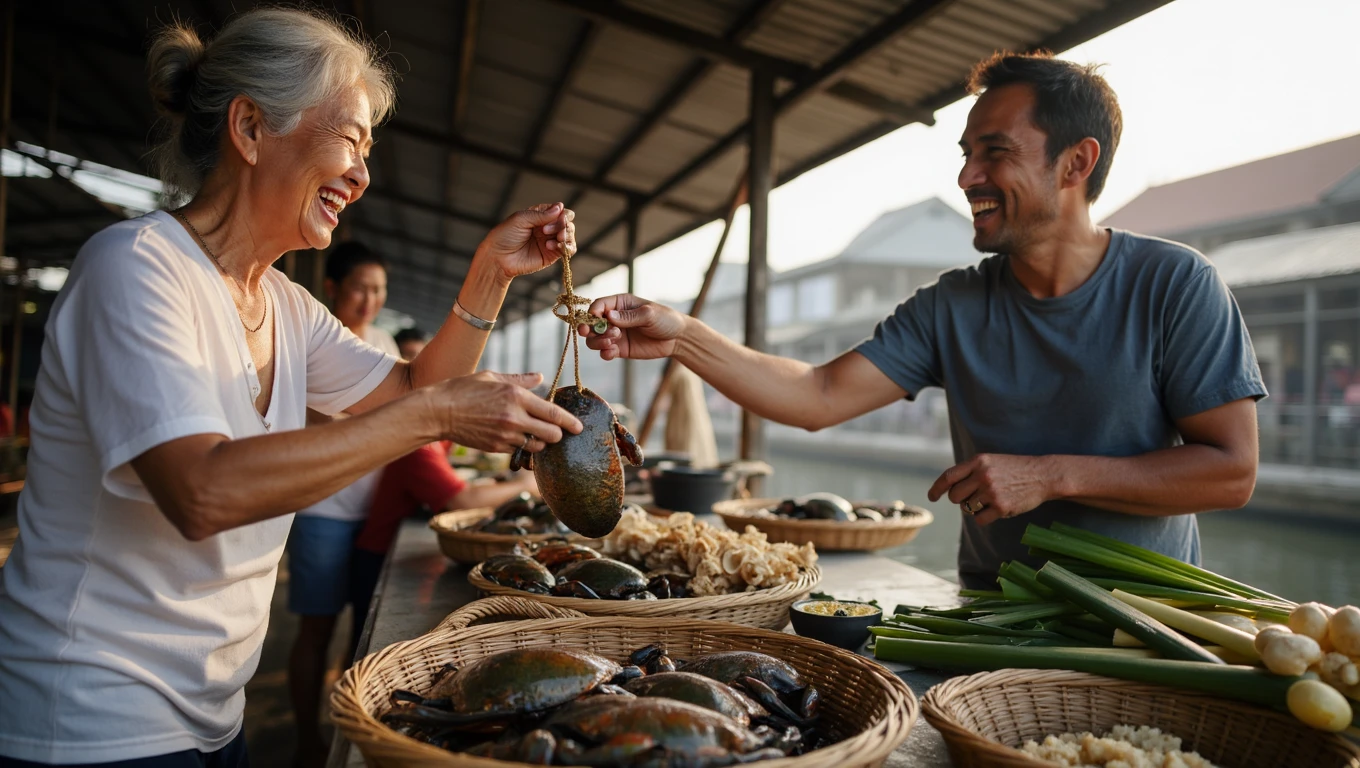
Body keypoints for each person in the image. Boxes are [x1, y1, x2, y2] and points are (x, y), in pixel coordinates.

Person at [0, 8, 582, 766]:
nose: (363, 174)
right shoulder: (135, 267)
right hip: (88, 717)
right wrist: (432, 413)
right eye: (350, 140)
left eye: (367, 150)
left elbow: (413, 383)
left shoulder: (286, 305)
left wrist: (491, 272)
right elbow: (201, 492)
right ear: (249, 129)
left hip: (211, 710)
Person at [581, 52, 1266, 590]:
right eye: (966, 155)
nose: (968, 176)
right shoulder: (952, 304)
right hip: (994, 614)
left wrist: (1051, 475)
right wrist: (683, 336)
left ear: (1076, 163)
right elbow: (816, 396)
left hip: (1143, 624)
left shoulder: (1176, 284)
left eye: (994, 151)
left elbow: (1231, 473)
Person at [284, 241, 397, 766]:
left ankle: (353, 735)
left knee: (365, 633)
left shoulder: (385, 341)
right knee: (317, 629)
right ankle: (305, 736)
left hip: (374, 516)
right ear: (332, 288)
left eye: (378, 289)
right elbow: (326, 424)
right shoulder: (312, 339)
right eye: (360, 287)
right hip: (323, 513)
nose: (370, 299)